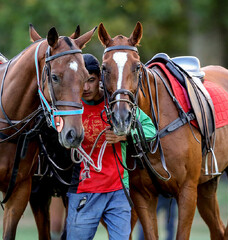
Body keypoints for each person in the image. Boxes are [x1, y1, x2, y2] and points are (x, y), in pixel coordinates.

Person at [65, 53, 157, 239]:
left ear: (100, 78)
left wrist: (125, 136)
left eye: (91, 80)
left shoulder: (117, 104)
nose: (86, 87)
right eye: (82, 81)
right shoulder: (71, 109)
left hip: (118, 192)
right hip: (84, 190)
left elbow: (151, 131)